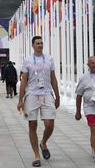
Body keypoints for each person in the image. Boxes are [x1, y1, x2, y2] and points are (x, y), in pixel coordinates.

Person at [17, 36, 60, 167]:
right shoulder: (28, 60)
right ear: (33, 45)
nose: (40, 45)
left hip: (47, 93)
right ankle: (36, 155)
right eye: (37, 43)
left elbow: (53, 78)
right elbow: (24, 80)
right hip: (32, 94)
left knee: (49, 124)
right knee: (32, 125)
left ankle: (43, 142)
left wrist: (57, 96)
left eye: (41, 43)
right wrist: (20, 100)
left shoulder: (49, 59)